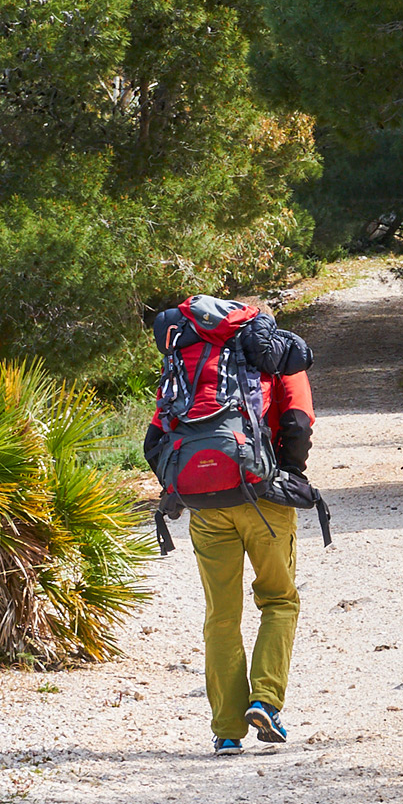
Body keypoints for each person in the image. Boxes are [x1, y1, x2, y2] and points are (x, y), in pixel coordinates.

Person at [143, 297, 326, 756]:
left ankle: (226, 730)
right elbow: (298, 422)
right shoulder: (274, 355)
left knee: (220, 616)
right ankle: (265, 700)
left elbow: (155, 439)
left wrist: (189, 487)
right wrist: (288, 474)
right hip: (262, 498)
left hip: (205, 504)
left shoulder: (186, 361)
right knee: (279, 599)